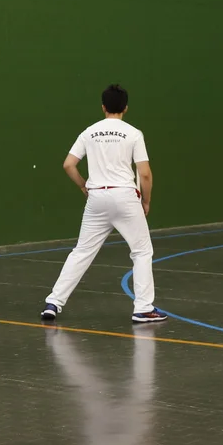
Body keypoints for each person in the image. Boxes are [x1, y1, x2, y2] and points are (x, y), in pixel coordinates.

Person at [41, 85, 166, 324]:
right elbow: (145, 173)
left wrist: (83, 186)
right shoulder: (133, 133)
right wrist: (146, 201)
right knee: (141, 251)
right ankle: (143, 309)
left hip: (97, 198)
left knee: (82, 251)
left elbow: (68, 164)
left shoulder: (89, 132)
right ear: (125, 108)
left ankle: (53, 303)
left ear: (103, 107)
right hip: (126, 197)